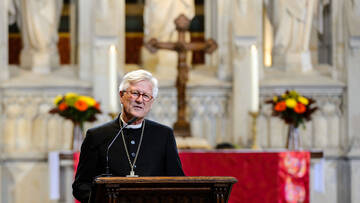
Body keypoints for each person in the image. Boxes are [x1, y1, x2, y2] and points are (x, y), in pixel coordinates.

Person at [72, 70, 185, 202]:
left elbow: (178, 182)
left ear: (151, 101)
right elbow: (81, 186)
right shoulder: (97, 136)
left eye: (146, 96)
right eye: (135, 93)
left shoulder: (163, 135)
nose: (140, 100)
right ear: (121, 95)